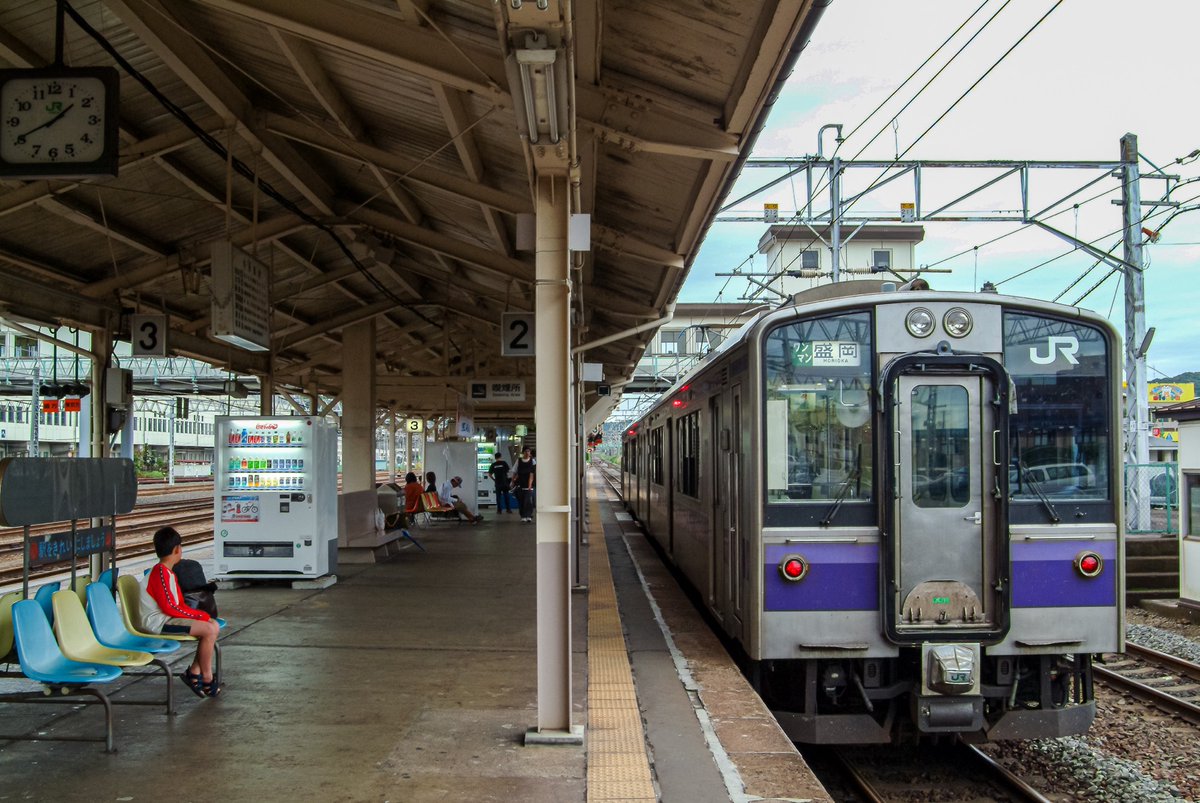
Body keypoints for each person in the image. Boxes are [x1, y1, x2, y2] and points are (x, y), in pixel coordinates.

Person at [138, 527, 221, 698]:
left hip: (166, 619)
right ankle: (206, 677)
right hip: (157, 623)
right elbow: (170, 607)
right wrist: (199, 616)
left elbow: (178, 604)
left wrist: (200, 616)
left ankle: (195, 672)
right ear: (177, 549)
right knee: (209, 628)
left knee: (212, 625)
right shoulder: (160, 573)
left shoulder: (166, 572)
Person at [514, 447, 536, 522]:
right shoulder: (519, 461)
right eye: (526, 451)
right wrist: (513, 481)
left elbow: (532, 474)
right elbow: (515, 471)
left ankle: (529, 515)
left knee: (529, 501)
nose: (527, 453)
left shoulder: (532, 461)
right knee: (521, 501)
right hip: (520, 483)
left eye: (529, 451)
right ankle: (523, 516)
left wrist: (530, 485)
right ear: (523, 452)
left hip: (529, 484)